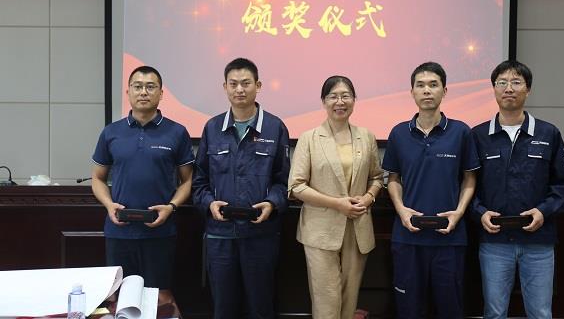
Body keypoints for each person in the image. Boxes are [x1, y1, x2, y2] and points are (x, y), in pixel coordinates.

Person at [471, 60, 564, 319]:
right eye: (502, 83)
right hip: (494, 242)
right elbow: (466, 186)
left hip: (538, 242)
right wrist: (480, 212)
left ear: (528, 89)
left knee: (540, 312)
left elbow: (563, 184)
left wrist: (543, 211)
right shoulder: (478, 136)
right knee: (494, 312)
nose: (509, 88)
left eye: (516, 82)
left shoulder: (548, 133)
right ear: (494, 89)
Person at [192, 57, 290, 319]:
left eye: (246, 83)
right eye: (233, 84)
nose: (239, 89)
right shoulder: (213, 128)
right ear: (224, 87)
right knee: (224, 308)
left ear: (258, 85)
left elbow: (284, 181)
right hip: (220, 236)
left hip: (261, 235)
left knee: (261, 307)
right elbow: (199, 181)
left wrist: (272, 203)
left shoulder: (275, 127)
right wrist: (209, 203)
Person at [382, 62, 479, 319]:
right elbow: (393, 178)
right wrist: (401, 210)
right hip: (408, 237)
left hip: (449, 238)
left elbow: (469, 178)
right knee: (409, 310)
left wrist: (458, 213)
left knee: (450, 309)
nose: (427, 90)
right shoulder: (399, 133)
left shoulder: (461, 132)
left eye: (433, 85)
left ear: (444, 91)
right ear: (412, 92)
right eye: (421, 85)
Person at [288, 76, 384, 319]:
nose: (340, 102)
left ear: (354, 100)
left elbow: (376, 177)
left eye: (345, 96)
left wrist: (368, 198)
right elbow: (296, 187)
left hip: (357, 228)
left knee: (349, 301)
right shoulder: (309, 138)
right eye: (333, 96)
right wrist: (337, 204)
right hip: (321, 230)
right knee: (326, 300)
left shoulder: (366, 136)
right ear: (324, 101)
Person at [91, 65, 194, 289]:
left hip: (160, 233)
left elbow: (187, 181)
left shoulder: (177, 132)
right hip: (119, 232)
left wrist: (171, 207)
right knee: (119, 298)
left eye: (150, 87)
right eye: (137, 87)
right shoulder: (111, 132)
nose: (143, 92)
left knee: (157, 296)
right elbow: (97, 178)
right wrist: (109, 205)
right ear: (128, 92)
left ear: (161, 93)